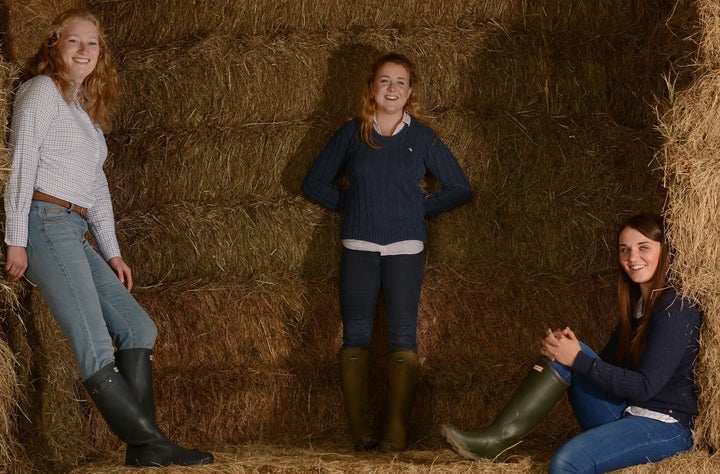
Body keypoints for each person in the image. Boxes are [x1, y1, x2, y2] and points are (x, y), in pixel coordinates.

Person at [3, 8, 213, 467]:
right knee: (95, 344)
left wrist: (112, 251)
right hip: (44, 221)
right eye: (74, 41)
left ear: (101, 53)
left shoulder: (82, 109)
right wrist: (15, 238)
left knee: (139, 328)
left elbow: (96, 188)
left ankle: (144, 448)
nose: (83, 51)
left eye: (92, 44)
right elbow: (19, 165)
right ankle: (151, 445)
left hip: (73, 228)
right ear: (54, 45)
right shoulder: (40, 93)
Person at [302, 52, 473, 452]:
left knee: (402, 337)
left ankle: (396, 430)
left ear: (410, 92)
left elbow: (460, 187)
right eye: (384, 81)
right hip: (359, 245)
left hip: (405, 247)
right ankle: (361, 432)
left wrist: (418, 209)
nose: (391, 88)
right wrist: (355, 203)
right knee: (355, 335)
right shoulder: (352, 133)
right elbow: (313, 183)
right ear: (371, 89)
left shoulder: (423, 138)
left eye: (400, 82)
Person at [442, 213, 701, 473]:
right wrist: (566, 350)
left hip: (666, 426)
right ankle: (496, 439)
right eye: (625, 250)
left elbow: (645, 386)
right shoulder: (637, 308)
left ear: (665, 251)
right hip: (628, 413)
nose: (632, 258)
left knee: (566, 463)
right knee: (564, 351)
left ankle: (496, 439)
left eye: (644, 247)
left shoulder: (676, 307)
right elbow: (604, 369)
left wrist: (577, 358)